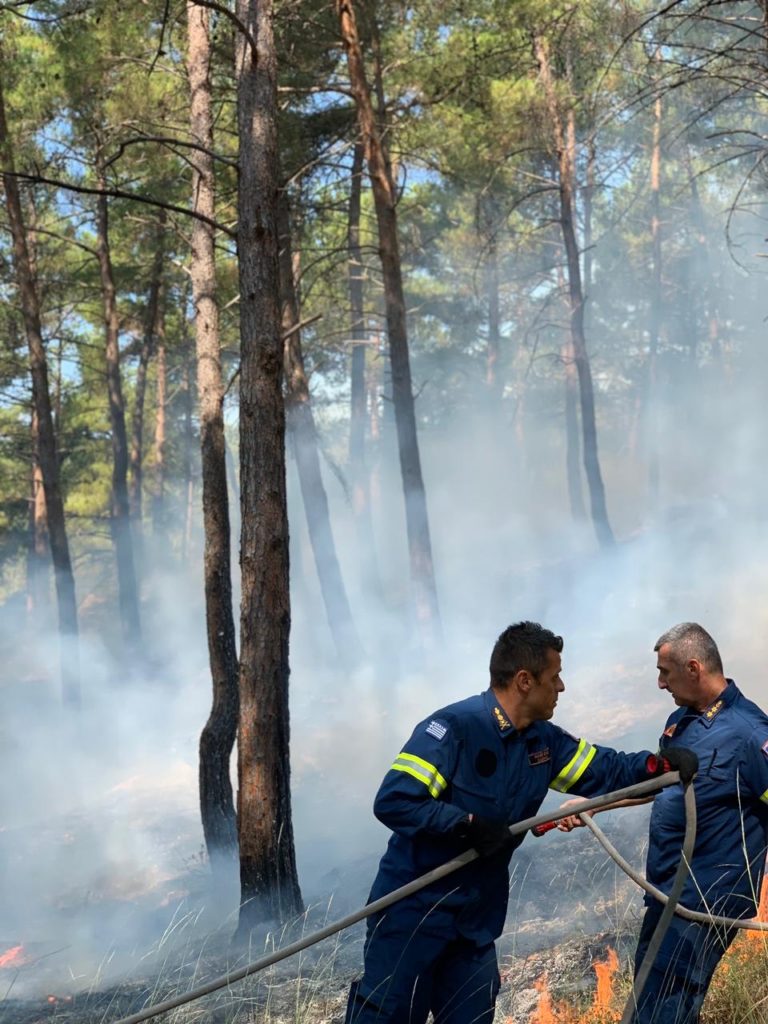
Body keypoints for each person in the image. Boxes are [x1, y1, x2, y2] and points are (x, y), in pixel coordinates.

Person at [344, 621, 696, 1024]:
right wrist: (466, 823)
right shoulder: (454, 729)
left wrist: (659, 764)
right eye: (555, 677)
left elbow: (606, 769)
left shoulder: (543, 743)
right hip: (412, 918)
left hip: (474, 928)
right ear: (525, 681)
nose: (561, 687)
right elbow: (394, 800)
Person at [556, 622, 768, 1024]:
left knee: (662, 1011)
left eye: (665, 672)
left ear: (693, 668)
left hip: (705, 903)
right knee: (651, 1006)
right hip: (667, 892)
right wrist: (594, 806)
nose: (659, 683)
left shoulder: (749, 733)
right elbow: (662, 784)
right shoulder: (682, 721)